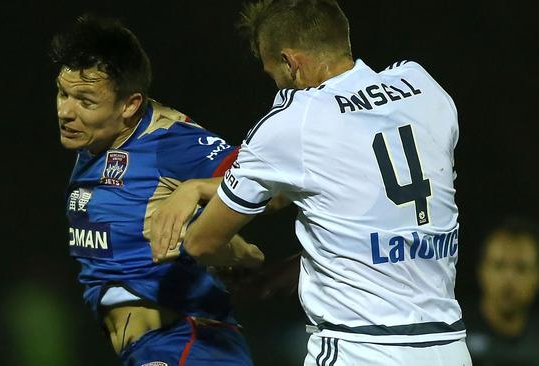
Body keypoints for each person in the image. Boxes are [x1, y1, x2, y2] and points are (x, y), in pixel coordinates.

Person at [152, 0, 472, 364]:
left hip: (359, 349)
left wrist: (201, 203)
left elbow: (203, 242)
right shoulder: (422, 85)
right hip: (449, 347)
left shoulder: (294, 122)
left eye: (271, 71)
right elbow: (382, 216)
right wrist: (298, 269)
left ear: (290, 63)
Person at [50, 14, 263, 365]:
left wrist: (197, 191)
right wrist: (232, 250)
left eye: (85, 101)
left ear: (129, 105)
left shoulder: (170, 141)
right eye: (62, 93)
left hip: (189, 345)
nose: (65, 111)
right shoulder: (94, 141)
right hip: (150, 350)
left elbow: (269, 180)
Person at [465, 217, 539, 366]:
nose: (508, 279)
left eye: (521, 268)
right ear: (482, 271)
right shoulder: (454, 332)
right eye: (499, 266)